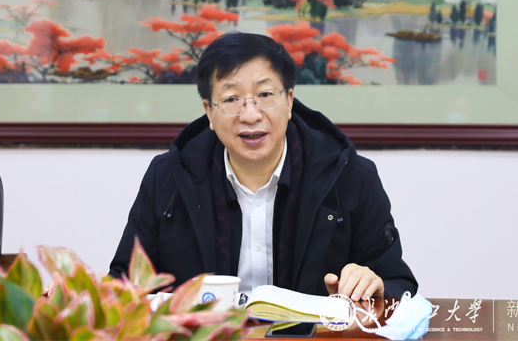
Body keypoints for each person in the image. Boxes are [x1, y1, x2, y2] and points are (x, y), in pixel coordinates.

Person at [109, 33, 418, 301]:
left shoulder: (350, 176)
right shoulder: (168, 177)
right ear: (209, 112)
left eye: (265, 95)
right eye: (231, 99)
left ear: (289, 101)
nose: (251, 115)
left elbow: (398, 284)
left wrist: (373, 286)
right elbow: (125, 284)